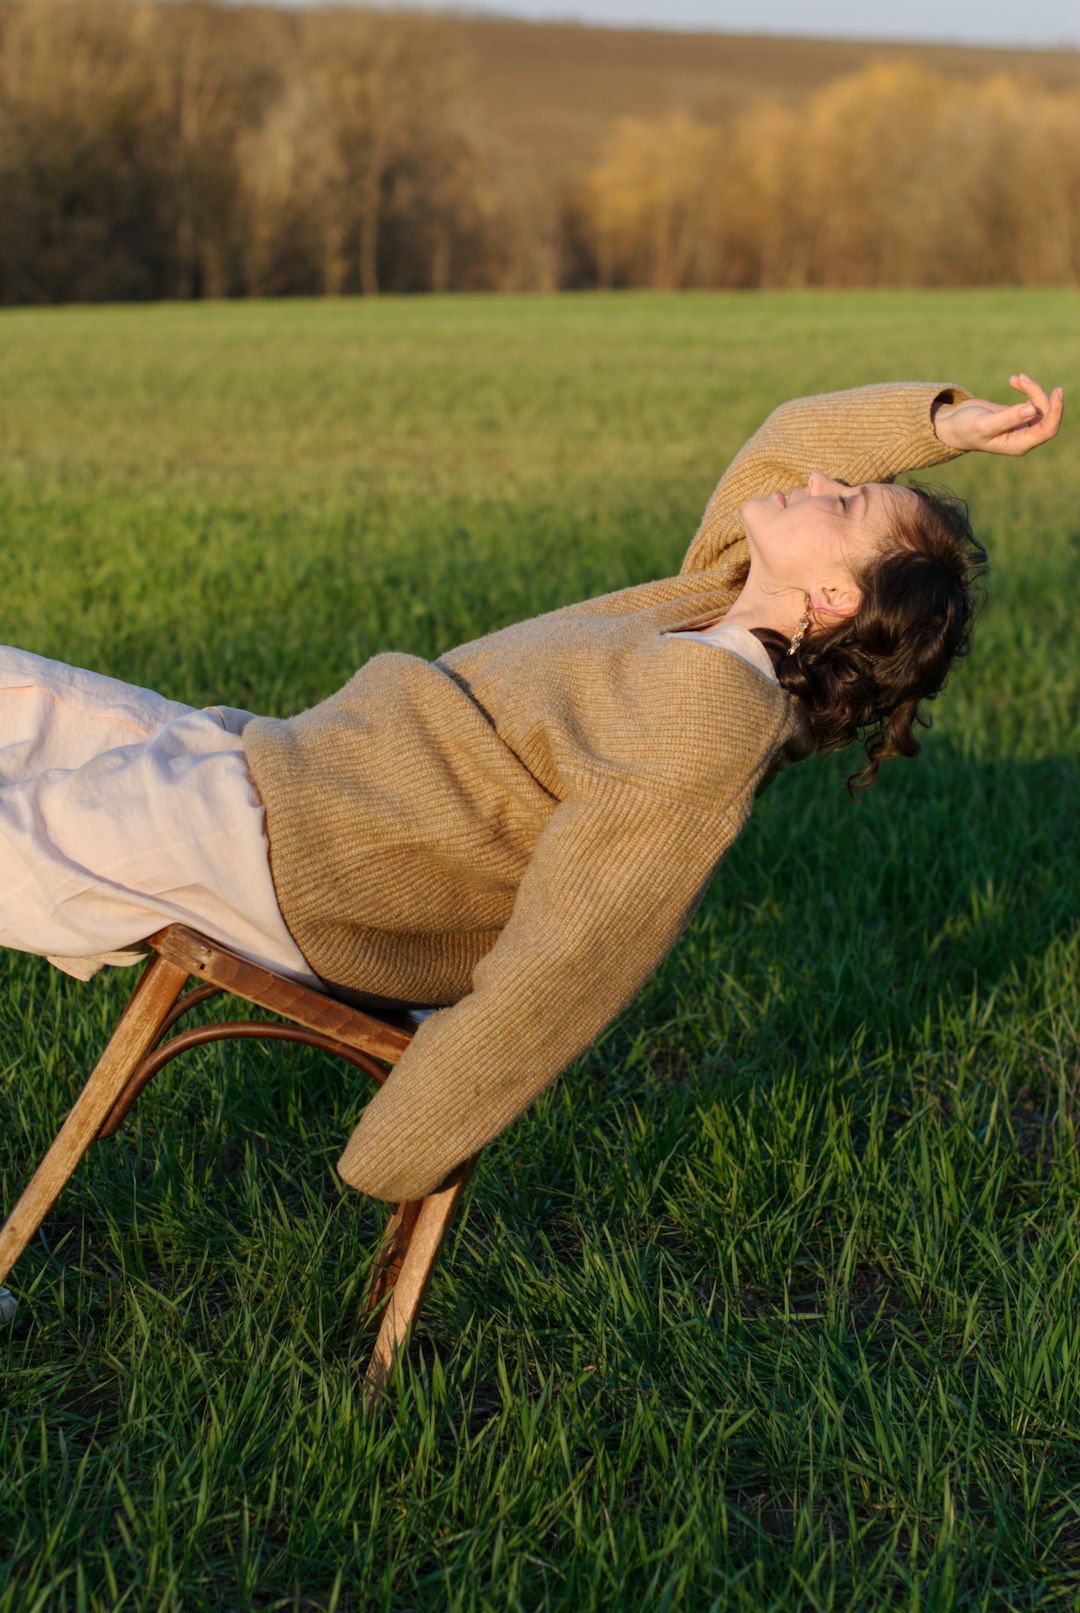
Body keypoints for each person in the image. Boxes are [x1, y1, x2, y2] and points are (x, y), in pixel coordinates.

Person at [0, 373, 1063, 1205]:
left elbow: (575, 951)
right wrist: (943, 426)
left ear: (832, 596)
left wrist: (406, 1141)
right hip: (273, 771)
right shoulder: (714, 600)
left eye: (847, 502)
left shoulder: (709, 721)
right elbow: (790, 441)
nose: (818, 482)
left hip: (280, 855)